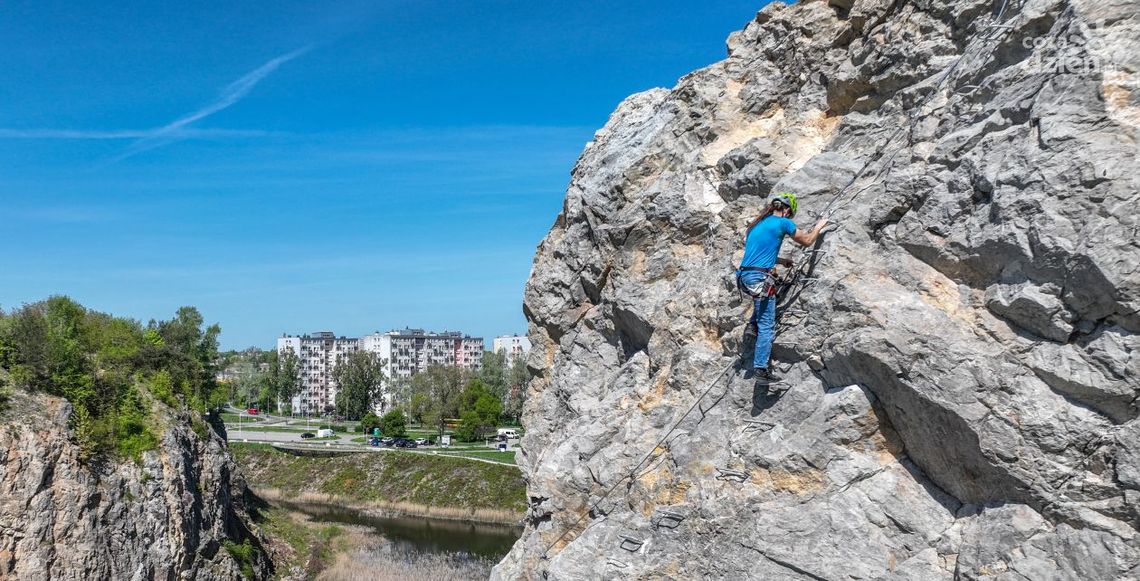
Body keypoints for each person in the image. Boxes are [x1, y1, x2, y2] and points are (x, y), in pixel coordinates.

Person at [737, 192, 828, 382]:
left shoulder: (757, 224)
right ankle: (761, 369)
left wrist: (781, 260)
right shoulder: (783, 223)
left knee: (766, 298)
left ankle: (752, 326)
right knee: (767, 325)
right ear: (787, 210)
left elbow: (759, 251)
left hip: (745, 276)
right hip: (759, 278)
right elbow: (807, 241)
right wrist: (819, 226)